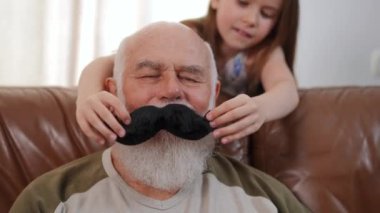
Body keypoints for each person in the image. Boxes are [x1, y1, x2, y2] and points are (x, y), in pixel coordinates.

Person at [10, 22, 309, 213]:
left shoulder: (268, 201)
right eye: (150, 74)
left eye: (190, 77)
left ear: (214, 95)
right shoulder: (48, 201)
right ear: (114, 91)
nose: (171, 91)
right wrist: (86, 95)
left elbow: (285, 91)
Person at [76, 0, 300, 145]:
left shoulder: (266, 54)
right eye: (243, 3)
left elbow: (287, 90)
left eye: (267, 13)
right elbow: (108, 62)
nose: (251, 20)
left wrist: (260, 108)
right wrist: (87, 97)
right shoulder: (189, 34)